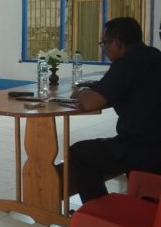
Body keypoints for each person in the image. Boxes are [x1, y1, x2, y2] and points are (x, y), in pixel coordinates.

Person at [69, 17, 161, 203]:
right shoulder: (155, 55)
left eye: (104, 43)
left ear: (117, 42)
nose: (104, 49)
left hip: (140, 148)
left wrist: (82, 91)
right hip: (155, 144)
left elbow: (91, 103)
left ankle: (98, 210)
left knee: (80, 152)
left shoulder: (126, 63)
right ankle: (147, 206)